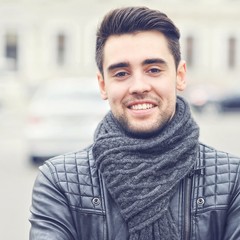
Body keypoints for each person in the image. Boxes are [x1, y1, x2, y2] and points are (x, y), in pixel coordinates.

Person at [29, 6, 240, 240]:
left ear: (180, 76)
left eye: (153, 69)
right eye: (121, 73)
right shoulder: (60, 181)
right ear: (103, 85)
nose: (139, 86)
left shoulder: (232, 179)